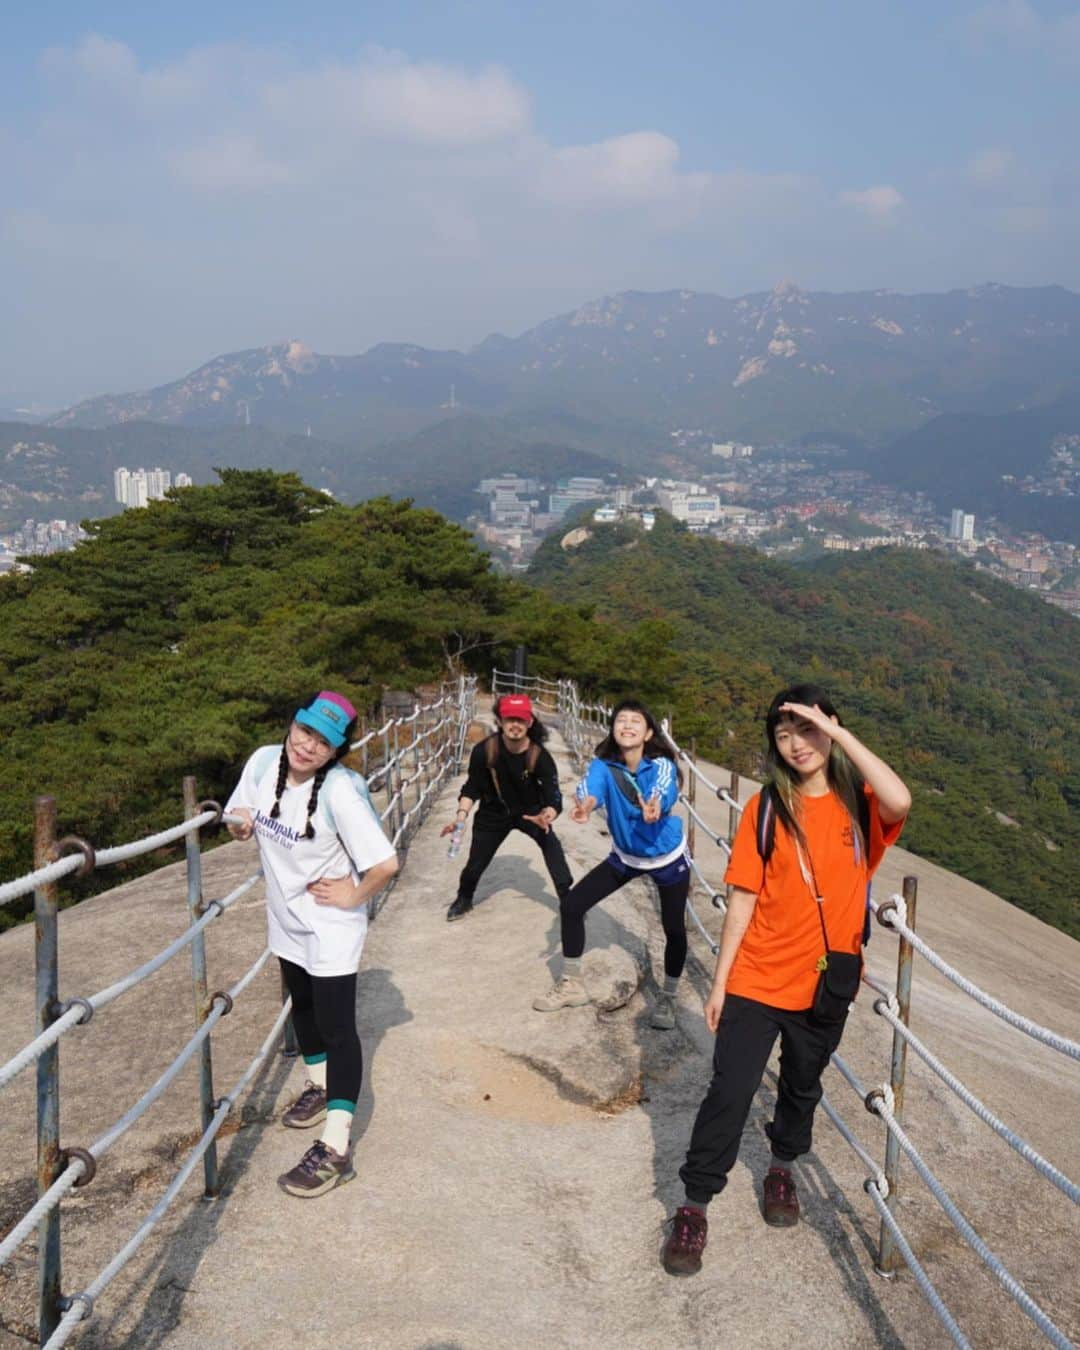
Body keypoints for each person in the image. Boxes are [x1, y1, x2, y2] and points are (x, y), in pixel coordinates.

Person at [662, 684, 910, 1275]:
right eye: (783, 735)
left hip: (827, 982)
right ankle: (694, 1207)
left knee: (802, 1086)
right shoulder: (766, 809)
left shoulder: (857, 804)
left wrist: (841, 734)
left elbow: (900, 799)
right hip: (757, 978)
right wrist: (720, 983)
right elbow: (742, 901)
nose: (796, 744)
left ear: (831, 730)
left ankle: (781, 1170)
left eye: (808, 730)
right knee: (730, 1090)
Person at [226, 691, 399, 1198]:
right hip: (286, 916)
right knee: (301, 1005)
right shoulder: (264, 761)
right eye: (305, 731)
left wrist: (353, 894)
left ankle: (337, 1147)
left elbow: (385, 864)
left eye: (324, 742)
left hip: (331, 924)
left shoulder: (340, 792)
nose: (308, 746)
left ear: (336, 750)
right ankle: (320, 1086)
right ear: (293, 724)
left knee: (337, 1028)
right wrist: (240, 824)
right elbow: (241, 807)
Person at [533, 699, 689, 1030]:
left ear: (648, 733)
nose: (627, 725)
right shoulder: (605, 765)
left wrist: (657, 805)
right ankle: (571, 984)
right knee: (573, 905)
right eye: (621, 720)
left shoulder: (659, 764)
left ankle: (669, 998)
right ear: (613, 728)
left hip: (666, 857)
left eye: (636, 721)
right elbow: (592, 786)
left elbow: (665, 785)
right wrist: (586, 805)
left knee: (673, 928)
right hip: (626, 856)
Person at [443, 693, 573, 922]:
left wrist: (548, 814)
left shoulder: (539, 756)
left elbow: (554, 797)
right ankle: (464, 898)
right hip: (494, 812)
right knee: (476, 862)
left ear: (530, 722)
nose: (515, 725)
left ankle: (568, 899)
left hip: (531, 813)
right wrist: (461, 819)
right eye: (510, 719)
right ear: (500, 721)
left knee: (552, 846)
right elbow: (472, 787)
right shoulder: (485, 750)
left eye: (521, 720)